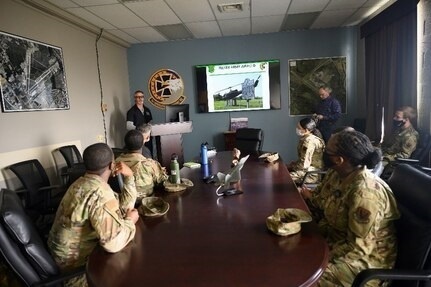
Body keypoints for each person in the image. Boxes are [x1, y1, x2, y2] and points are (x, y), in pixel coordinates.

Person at [300, 130, 400, 287]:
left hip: (363, 263)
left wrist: (318, 258)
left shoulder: (365, 194)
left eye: (328, 151)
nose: (324, 152)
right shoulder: (337, 174)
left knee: (302, 276)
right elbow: (322, 202)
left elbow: (358, 249)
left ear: (339, 160)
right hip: (335, 242)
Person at [48, 143, 139, 287]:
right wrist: (130, 221)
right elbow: (113, 244)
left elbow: (122, 207)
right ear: (111, 165)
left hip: (62, 261)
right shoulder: (99, 194)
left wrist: (129, 177)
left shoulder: (82, 183)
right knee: (134, 270)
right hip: (78, 272)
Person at [116, 130, 168, 200]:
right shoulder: (150, 164)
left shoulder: (115, 162)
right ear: (142, 144)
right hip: (147, 203)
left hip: (123, 204)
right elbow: (163, 182)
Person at [286, 118, 325, 184]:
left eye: (299, 128)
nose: (297, 129)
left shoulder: (308, 141)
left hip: (311, 174)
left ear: (306, 130)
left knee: (284, 178)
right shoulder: (309, 137)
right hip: (308, 171)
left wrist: (292, 166)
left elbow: (304, 165)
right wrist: (293, 164)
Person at [126, 90, 153, 156]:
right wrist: (141, 130)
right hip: (138, 139)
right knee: (142, 155)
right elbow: (128, 126)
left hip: (147, 137)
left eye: (141, 97)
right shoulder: (131, 111)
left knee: (149, 153)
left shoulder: (147, 110)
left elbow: (150, 122)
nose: (140, 98)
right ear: (135, 98)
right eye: (138, 97)